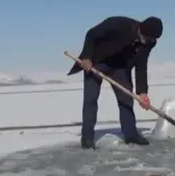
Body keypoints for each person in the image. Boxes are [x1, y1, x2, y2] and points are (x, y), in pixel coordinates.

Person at [67, 16, 163, 149]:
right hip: (97, 62)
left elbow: (142, 65)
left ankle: (131, 134)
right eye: (149, 38)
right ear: (142, 31)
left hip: (120, 67)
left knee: (126, 99)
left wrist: (142, 92)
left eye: (153, 39)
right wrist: (87, 57)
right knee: (91, 99)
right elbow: (91, 34)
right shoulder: (119, 24)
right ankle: (87, 138)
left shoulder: (149, 42)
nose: (151, 41)